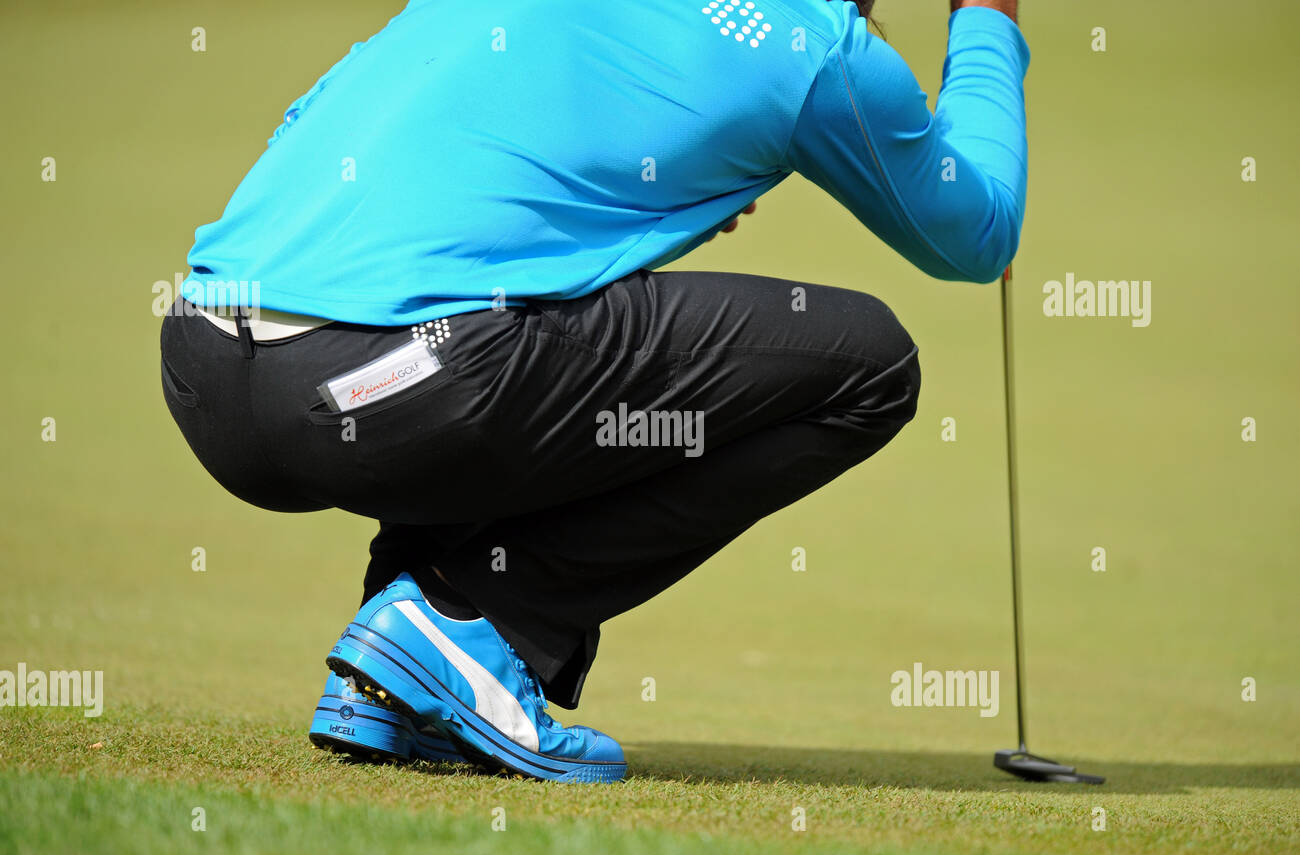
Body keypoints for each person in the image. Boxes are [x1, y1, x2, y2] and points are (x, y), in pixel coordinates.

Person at [160, 0, 1028, 783]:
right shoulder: (817, 43)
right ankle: (469, 621)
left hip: (204, 368)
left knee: (505, 310)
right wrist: (986, 20)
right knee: (868, 365)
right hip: (397, 388)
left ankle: (397, 679)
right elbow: (977, 232)